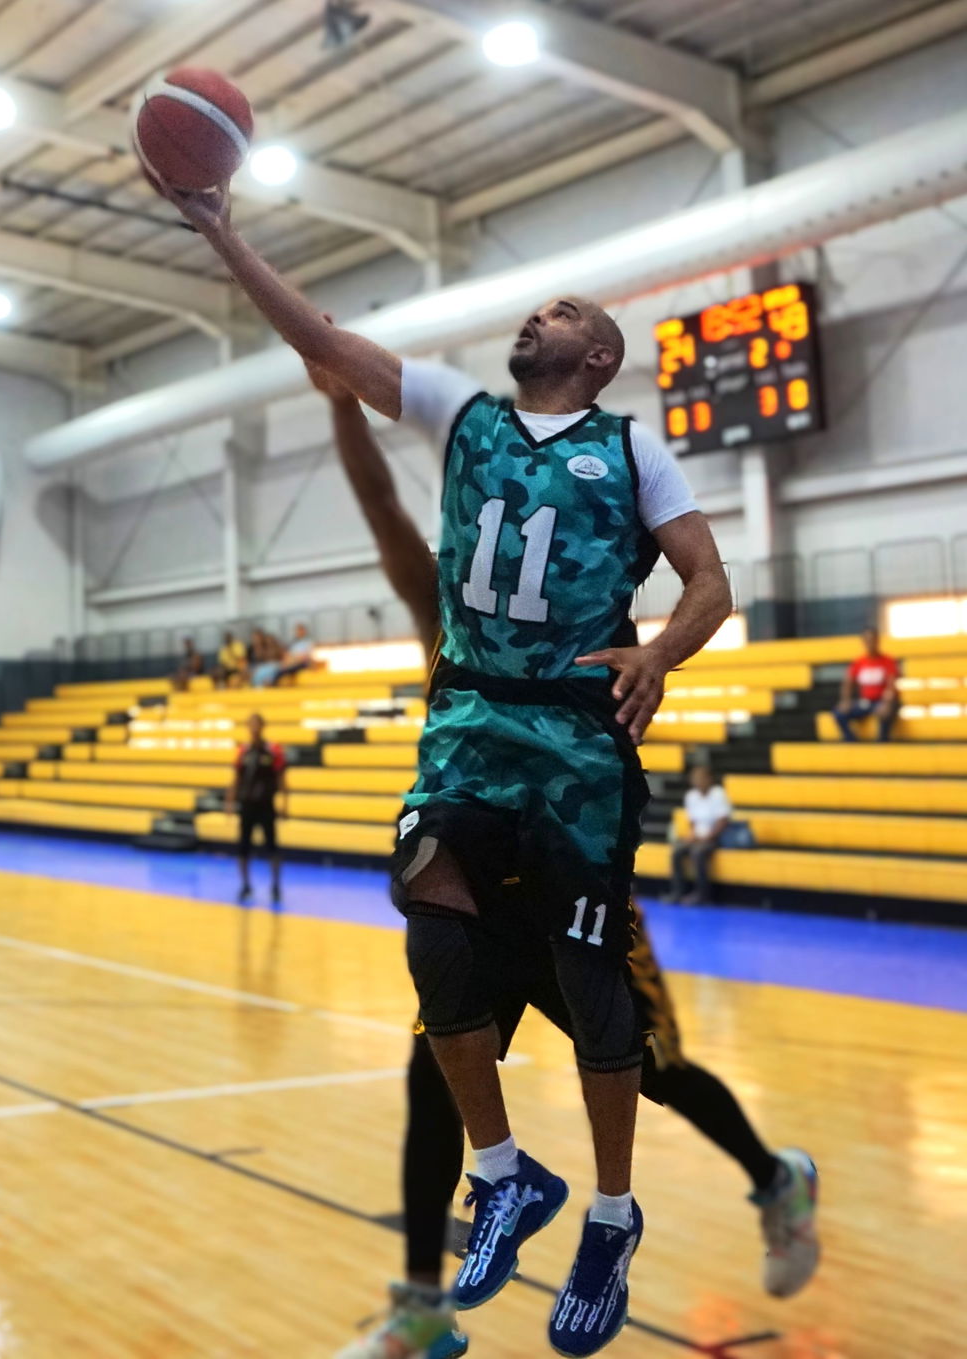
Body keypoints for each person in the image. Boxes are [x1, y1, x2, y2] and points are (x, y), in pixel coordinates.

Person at [175, 178, 733, 1355]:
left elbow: (709, 583)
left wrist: (659, 653)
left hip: (578, 739)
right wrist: (222, 229)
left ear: (599, 355)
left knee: (595, 993)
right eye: (536, 306)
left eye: (561, 310)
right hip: (472, 725)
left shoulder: (633, 448)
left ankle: (613, 1214)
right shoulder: (464, 414)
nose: (537, 315)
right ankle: (503, 1175)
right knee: (428, 923)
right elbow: (323, 343)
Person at [303, 363, 819, 1359]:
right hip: (479, 906)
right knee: (431, 1082)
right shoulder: (450, 628)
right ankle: (422, 1310)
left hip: (573, 890)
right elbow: (381, 515)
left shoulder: (584, 649)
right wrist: (341, 410)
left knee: (659, 1072)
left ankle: (772, 1174)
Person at [229, 712, 286, 905]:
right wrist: (229, 803)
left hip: (266, 806)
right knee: (243, 847)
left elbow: (281, 778)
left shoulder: (273, 750)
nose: (253, 727)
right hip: (247, 806)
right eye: (250, 724)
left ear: (262, 726)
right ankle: (245, 885)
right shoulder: (243, 751)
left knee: (272, 847)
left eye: (256, 724)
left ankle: (276, 885)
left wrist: (285, 803)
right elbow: (235, 779)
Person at [669, 762, 732, 906]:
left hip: (715, 836)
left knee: (697, 853)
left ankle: (702, 894)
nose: (698, 781)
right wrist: (692, 834)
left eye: (701, 778)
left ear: (709, 779)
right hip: (698, 836)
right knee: (677, 850)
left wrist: (708, 836)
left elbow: (723, 821)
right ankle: (678, 891)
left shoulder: (718, 794)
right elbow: (693, 822)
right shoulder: (691, 796)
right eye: (695, 778)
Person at [833, 626, 901, 742]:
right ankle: (852, 742)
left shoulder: (887, 661)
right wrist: (846, 700)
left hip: (882, 701)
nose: (870, 643)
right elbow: (848, 683)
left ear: (877, 641)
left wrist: (887, 702)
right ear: (863, 642)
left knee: (886, 713)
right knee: (839, 712)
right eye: (867, 640)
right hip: (866, 702)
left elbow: (891, 685)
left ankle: (883, 743)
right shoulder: (859, 662)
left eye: (873, 640)